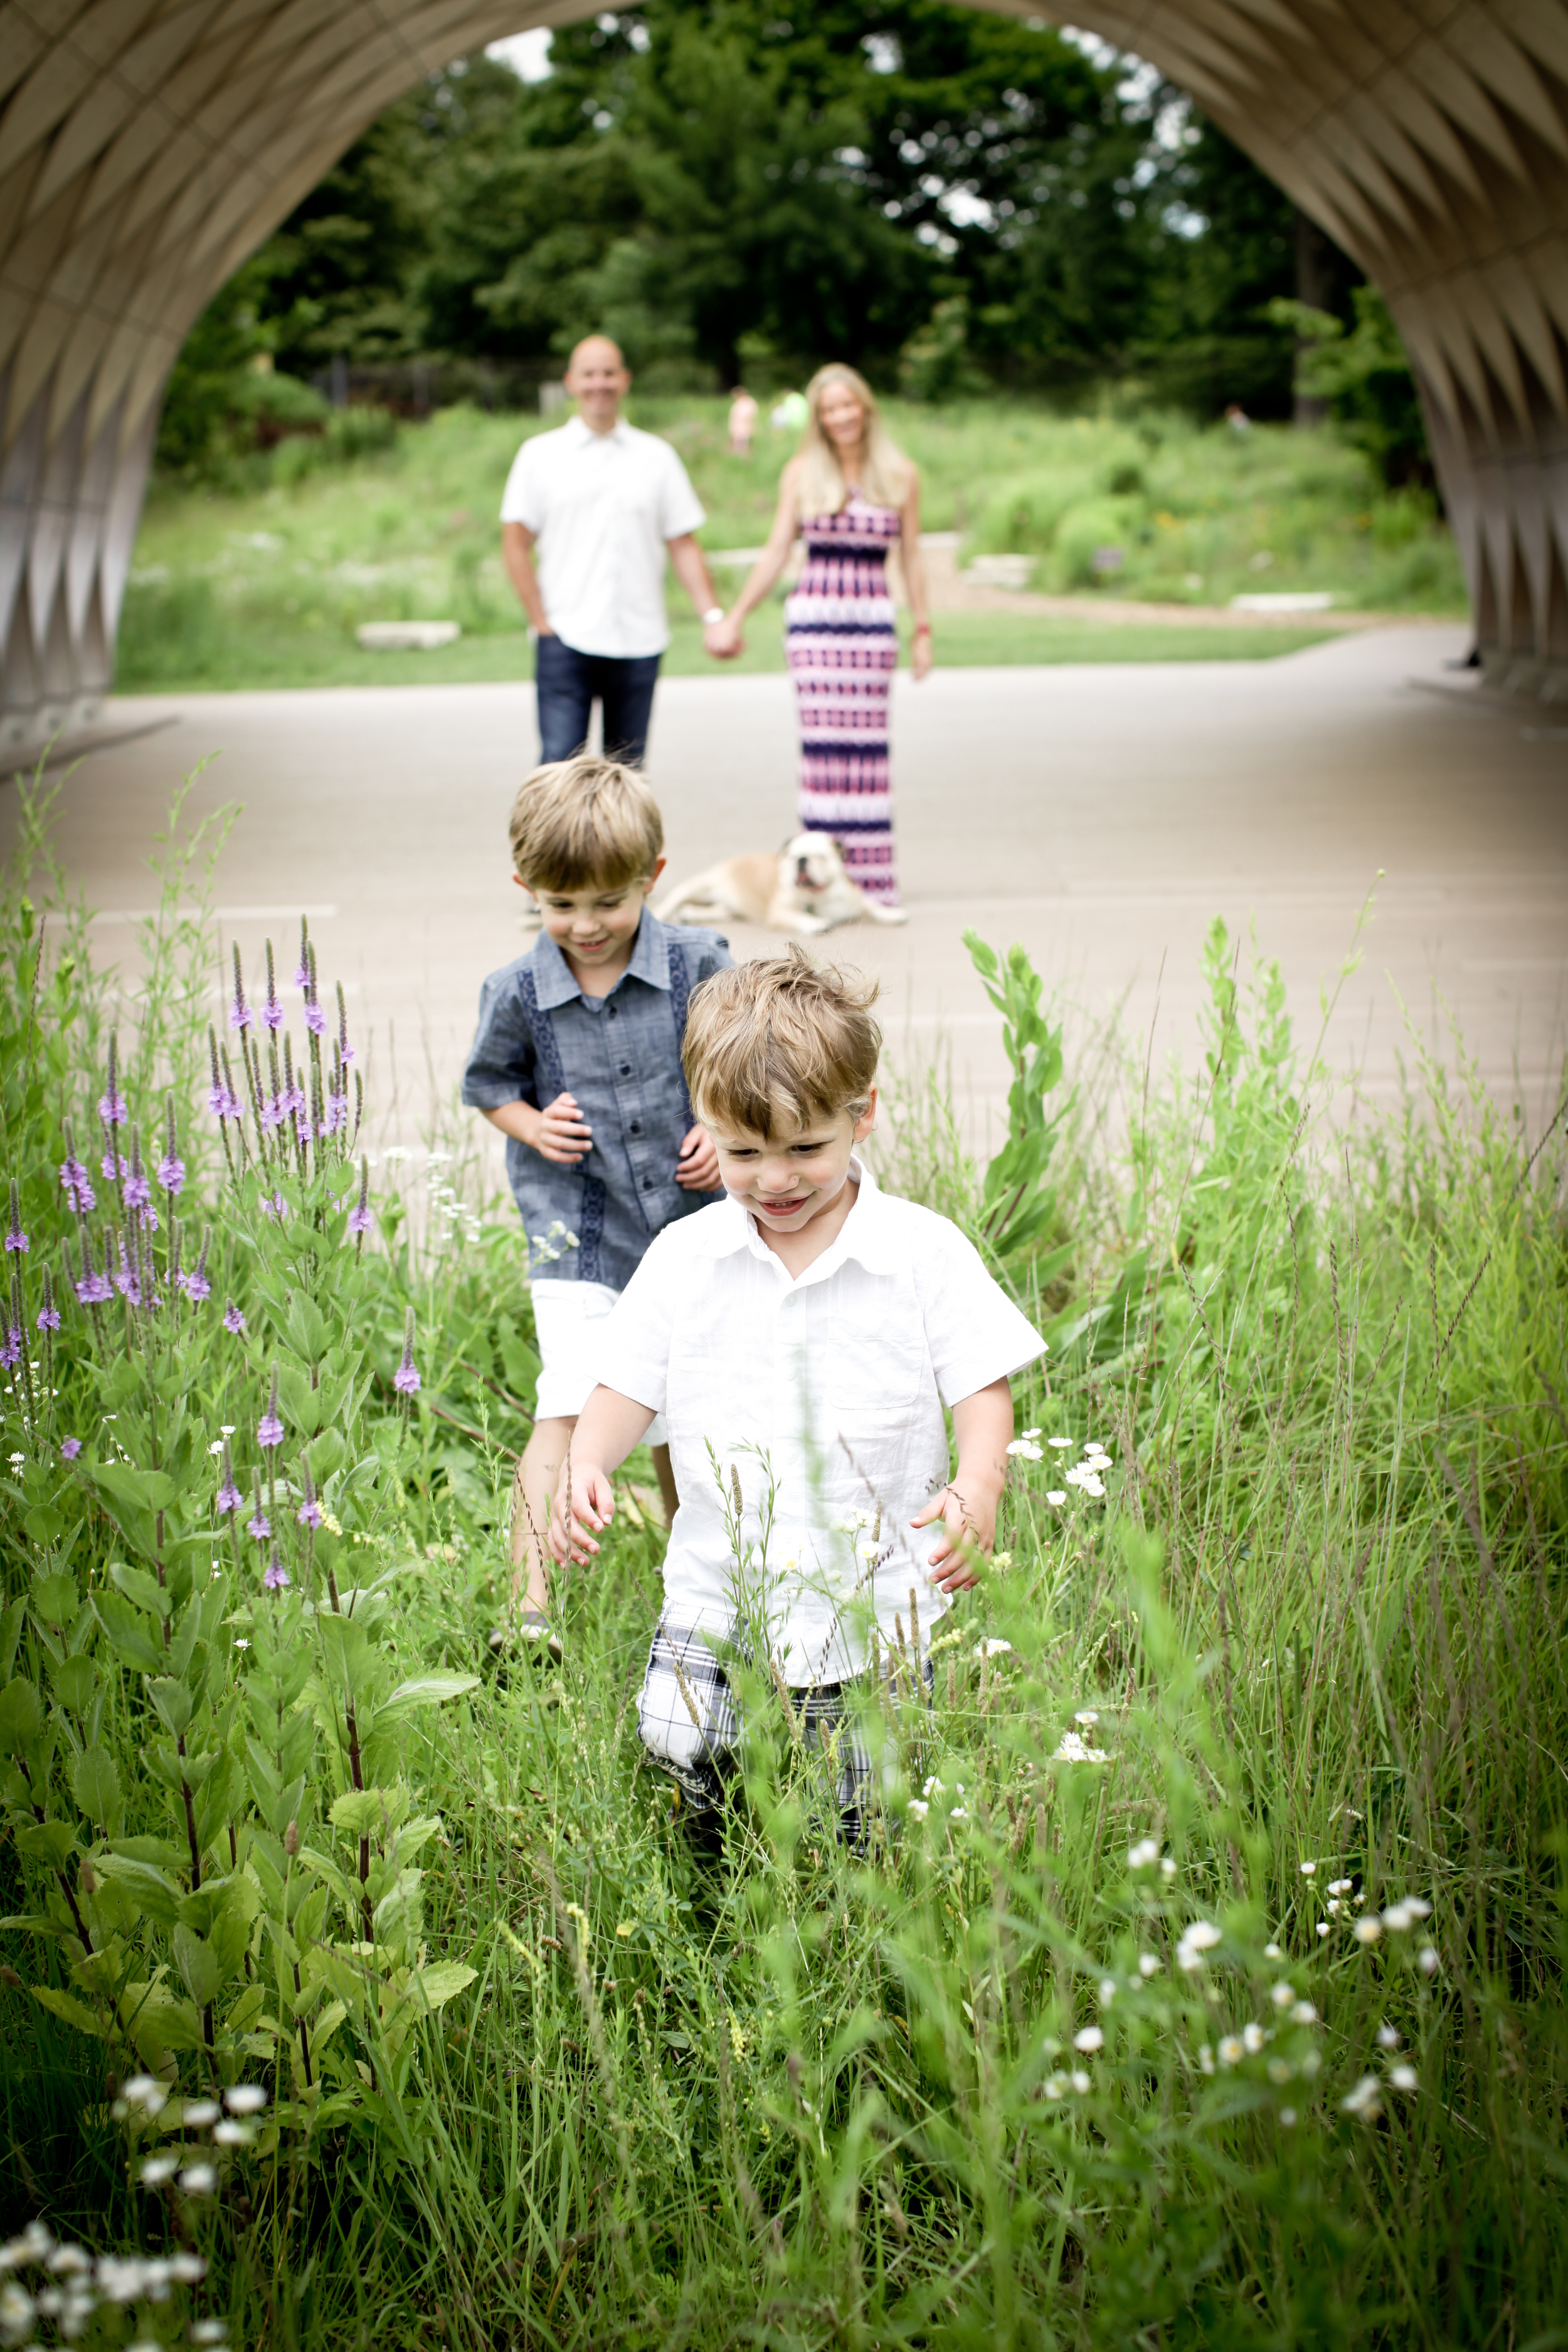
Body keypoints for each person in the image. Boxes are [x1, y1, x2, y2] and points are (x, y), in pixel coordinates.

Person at [549, 949, 1044, 1841]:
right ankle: (713, 1871)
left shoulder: (921, 1251)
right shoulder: (686, 1257)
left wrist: (980, 1486)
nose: (775, 1180)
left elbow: (982, 1381)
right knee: (681, 1743)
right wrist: (589, 1459)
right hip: (719, 1579)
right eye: (743, 1152)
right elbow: (627, 1380)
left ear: (864, 1116)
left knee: (869, 1802)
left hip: (879, 1589)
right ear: (702, 1125)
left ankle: (851, 1893)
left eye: (805, 1148)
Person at [461, 756, 733, 1651]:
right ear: (526, 887)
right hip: (575, 1236)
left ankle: (700, 1596)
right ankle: (528, 1613)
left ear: (653, 877)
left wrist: (720, 1132)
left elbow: (737, 1068)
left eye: (608, 903)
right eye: (560, 904)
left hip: (688, 1232)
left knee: (682, 1405)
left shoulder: (701, 962)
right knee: (570, 1402)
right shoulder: (514, 991)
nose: (585, 924)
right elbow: (489, 1087)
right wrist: (533, 1127)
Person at [704, 364, 931, 909]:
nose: (840, 417)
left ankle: (872, 882)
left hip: (871, 623)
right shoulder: (802, 472)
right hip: (815, 626)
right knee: (823, 754)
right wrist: (734, 615)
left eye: (848, 406)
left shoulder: (900, 474)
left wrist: (922, 629)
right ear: (819, 417)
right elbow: (778, 549)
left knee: (867, 754)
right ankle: (815, 885)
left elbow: (913, 556)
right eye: (829, 409)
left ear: (865, 408)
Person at [500, 336, 728, 768]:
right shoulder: (539, 456)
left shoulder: (656, 457)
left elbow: (682, 542)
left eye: (608, 373)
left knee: (626, 774)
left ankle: (622, 842)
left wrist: (712, 617)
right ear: (571, 382)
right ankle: (549, 842)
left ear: (624, 380)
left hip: (638, 637)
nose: (599, 384)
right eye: (589, 374)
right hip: (566, 634)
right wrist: (540, 622)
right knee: (557, 770)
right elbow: (515, 544)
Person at [727, 386, 758, 457]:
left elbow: (743, 418)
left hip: (742, 430)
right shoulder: (749, 402)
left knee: (742, 450)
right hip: (741, 430)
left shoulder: (745, 403)